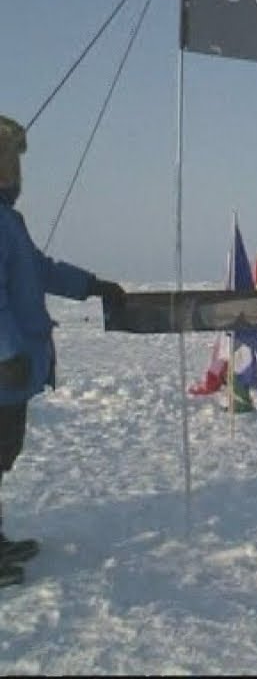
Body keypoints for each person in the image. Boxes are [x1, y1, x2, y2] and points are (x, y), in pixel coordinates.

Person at [0, 114, 126, 585]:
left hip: (11, 368)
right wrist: (6, 351)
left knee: (2, 452)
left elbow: (39, 270)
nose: (16, 173)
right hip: (4, 364)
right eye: (10, 162)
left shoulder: (7, 221)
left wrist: (92, 285)